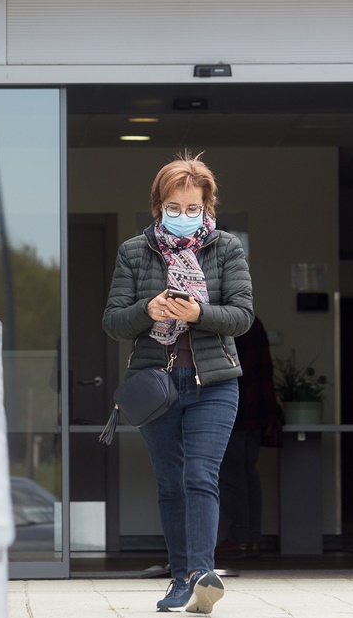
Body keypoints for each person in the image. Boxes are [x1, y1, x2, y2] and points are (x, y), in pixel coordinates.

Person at [102, 153, 253, 615]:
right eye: (174, 207)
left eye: (193, 208)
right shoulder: (133, 251)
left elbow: (243, 316)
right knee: (170, 484)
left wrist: (199, 314)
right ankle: (180, 576)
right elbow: (113, 322)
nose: (183, 217)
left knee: (199, 475)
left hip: (215, 383)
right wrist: (148, 310)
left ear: (208, 206)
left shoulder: (227, 248)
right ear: (158, 206)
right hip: (157, 385)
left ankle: (199, 575)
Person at [217, 315, 282, 558]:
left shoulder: (229, 323)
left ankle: (240, 537)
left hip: (236, 410)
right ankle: (252, 537)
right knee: (247, 473)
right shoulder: (253, 321)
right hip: (257, 411)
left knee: (232, 476)